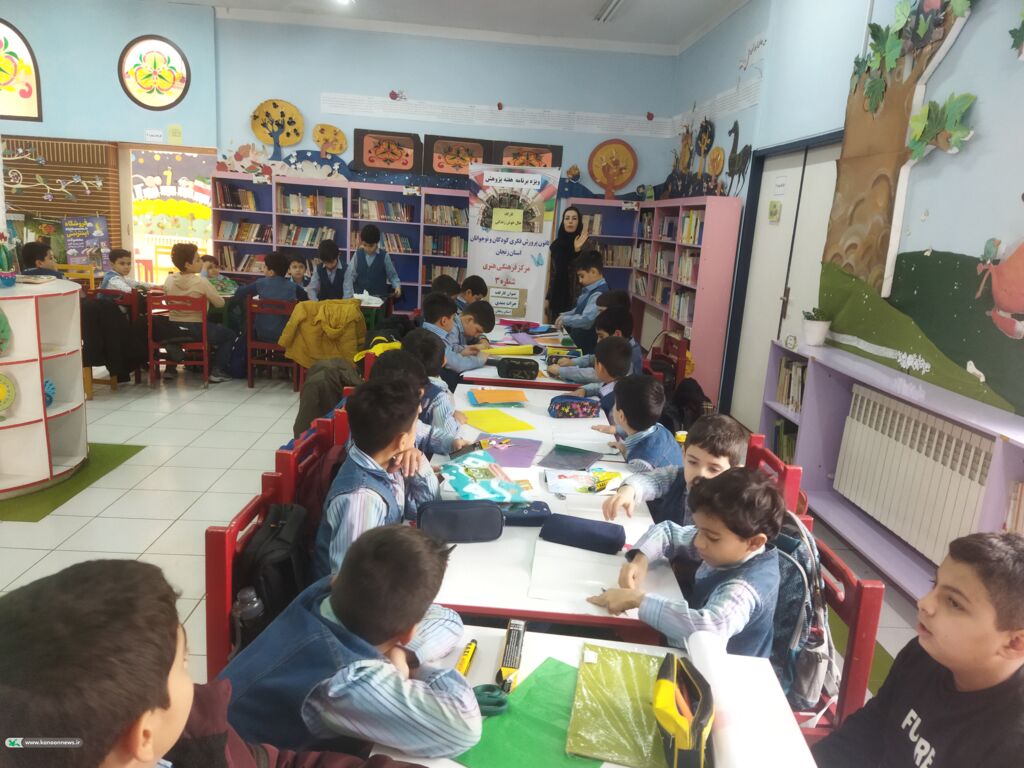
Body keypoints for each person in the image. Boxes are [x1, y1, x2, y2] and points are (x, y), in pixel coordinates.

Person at [0, 560, 416, 768]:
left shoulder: (192, 734)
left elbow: (272, 763)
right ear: (143, 734)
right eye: (183, 664)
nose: (198, 681)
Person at [221, 526, 482, 758]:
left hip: (218, 730)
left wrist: (405, 655)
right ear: (409, 632)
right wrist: (414, 665)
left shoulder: (324, 593)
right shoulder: (343, 682)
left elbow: (448, 619)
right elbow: (462, 729)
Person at [811, 532, 1024, 768]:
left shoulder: (1012, 744)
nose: (925, 603)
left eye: (954, 602)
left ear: (1015, 643)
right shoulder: (924, 653)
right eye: (935, 584)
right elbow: (866, 731)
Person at [588, 467, 785, 658]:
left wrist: (638, 599)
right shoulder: (729, 542)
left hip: (721, 671)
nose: (698, 542)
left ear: (754, 542)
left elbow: (708, 630)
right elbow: (667, 531)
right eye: (699, 529)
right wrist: (641, 560)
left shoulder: (745, 588)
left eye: (712, 537)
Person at [312, 376, 440, 579]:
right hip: (364, 591)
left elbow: (424, 511)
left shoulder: (383, 459)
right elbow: (352, 584)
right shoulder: (362, 500)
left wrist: (419, 464)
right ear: (401, 441)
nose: (418, 430)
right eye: (416, 425)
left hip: (385, 564)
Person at [602, 412, 747, 526]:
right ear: (683, 454)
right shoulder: (677, 476)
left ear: (733, 471)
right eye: (693, 462)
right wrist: (629, 490)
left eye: (714, 469)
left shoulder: (732, 505)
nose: (700, 474)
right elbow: (651, 480)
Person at [163, 242, 238, 383]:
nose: (201, 262)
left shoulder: (169, 279)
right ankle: (217, 371)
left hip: (172, 329)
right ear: (187, 264)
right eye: (198, 260)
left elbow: (167, 302)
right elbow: (220, 303)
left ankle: (170, 369)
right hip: (195, 328)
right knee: (229, 335)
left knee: (177, 338)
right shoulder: (201, 282)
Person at [369, 348, 466, 456]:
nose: (420, 409)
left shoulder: (400, 420)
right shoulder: (371, 436)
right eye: (417, 400)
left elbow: (427, 435)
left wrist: (452, 443)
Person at [401, 328, 465, 455]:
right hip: (428, 457)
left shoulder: (400, 385)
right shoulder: (438, 395)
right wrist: (457, 421)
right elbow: (450, 435)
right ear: (444, 361)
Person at [550, 306, 642, 383]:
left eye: (601, 336)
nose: (598, 341)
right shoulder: (621, 346)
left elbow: (598, 375)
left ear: (617, 334)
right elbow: (594, 358)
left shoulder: (628, 356)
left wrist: (562, 371)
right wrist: (573, 362)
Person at [611, 375, 683, 472]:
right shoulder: (658, 428)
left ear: (621, 416)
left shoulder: (641, 462)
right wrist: (625, 450)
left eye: (615, 403)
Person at [233, 251, 303, 343]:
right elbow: (308, 301)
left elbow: (239, 293)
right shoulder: (294, 287)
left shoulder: (260, 283)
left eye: (265, 266)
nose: (263, 269)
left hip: (261, 333)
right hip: (285, 335)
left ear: (271, 272)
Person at [421, 292, 487, 376]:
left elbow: (450, 349)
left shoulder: (427, 332)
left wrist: (463, 350)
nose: (454, 323)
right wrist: (480, 360)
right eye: (453, 319)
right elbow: (457, 364)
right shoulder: (434, 341)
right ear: (444, 321)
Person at [555, 250, 608, 354]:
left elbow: (587, 320)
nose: (580, 280)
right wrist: (564, 315)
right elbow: (579, 310)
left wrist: (565, 320)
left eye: (582, 276)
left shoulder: (598, 294)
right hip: (578, 343)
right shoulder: (590, 290)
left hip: (587, 347)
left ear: (593, 272)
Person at [571, 335, 633, 422]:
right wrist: (584, 390)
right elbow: (599, 387)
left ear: (599, 366)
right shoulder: (622, 385)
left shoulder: (613, 403)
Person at [546, 206, 592, 320]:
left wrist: (577, 251)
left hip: (577, 301)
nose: (570, 221)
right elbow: (553, 275)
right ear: (563, 222)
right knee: (555, 330)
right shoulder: (556, 246)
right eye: (567, 218)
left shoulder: (586, 245)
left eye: (574, 218)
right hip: (557, 300)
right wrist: (548, 298)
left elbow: (586, 273)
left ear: (579, 222)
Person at [344, 225, 401, 301]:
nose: (368, 249)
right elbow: (349, 277)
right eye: (365, 245)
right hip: (360, 299)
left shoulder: (384, 256)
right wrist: (348, 297)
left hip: (379, 299)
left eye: (371, 246)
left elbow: (392, 276)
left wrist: (397, 286)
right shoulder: (357, 254)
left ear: (377, 243)